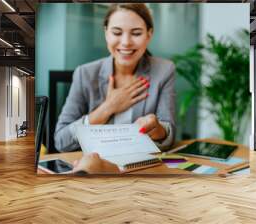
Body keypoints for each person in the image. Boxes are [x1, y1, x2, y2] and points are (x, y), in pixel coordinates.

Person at [55, 3, 176, 152]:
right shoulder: (84, 73)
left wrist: (158, 129)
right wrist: (108, 108)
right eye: (117, 33)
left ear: (149, 34)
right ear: (106, 33)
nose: (126, 42)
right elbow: (60, 141)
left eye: (136, 33)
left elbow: (169, 134)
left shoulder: (164, 70)